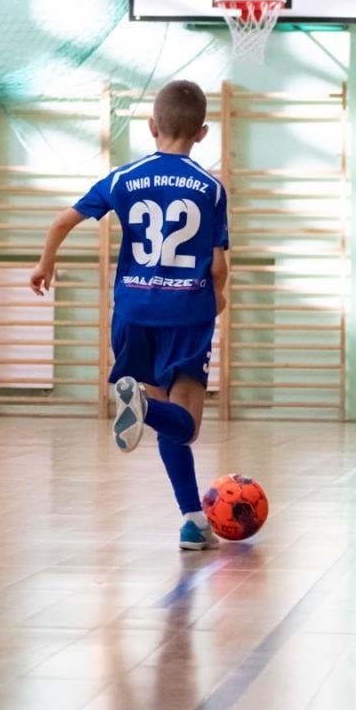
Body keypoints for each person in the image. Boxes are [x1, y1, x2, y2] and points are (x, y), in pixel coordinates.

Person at [29, 79, 230, 550]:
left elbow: (63, 221)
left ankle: (193, 522)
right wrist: (218, 295)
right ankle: (142, 409)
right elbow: (218, 264)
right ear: (202, 133)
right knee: (186, 424)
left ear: (151, 125)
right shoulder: (210, 188)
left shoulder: (123, 177)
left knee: (163, 417)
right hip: (187, 312)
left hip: (135, 312)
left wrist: (45, 264)